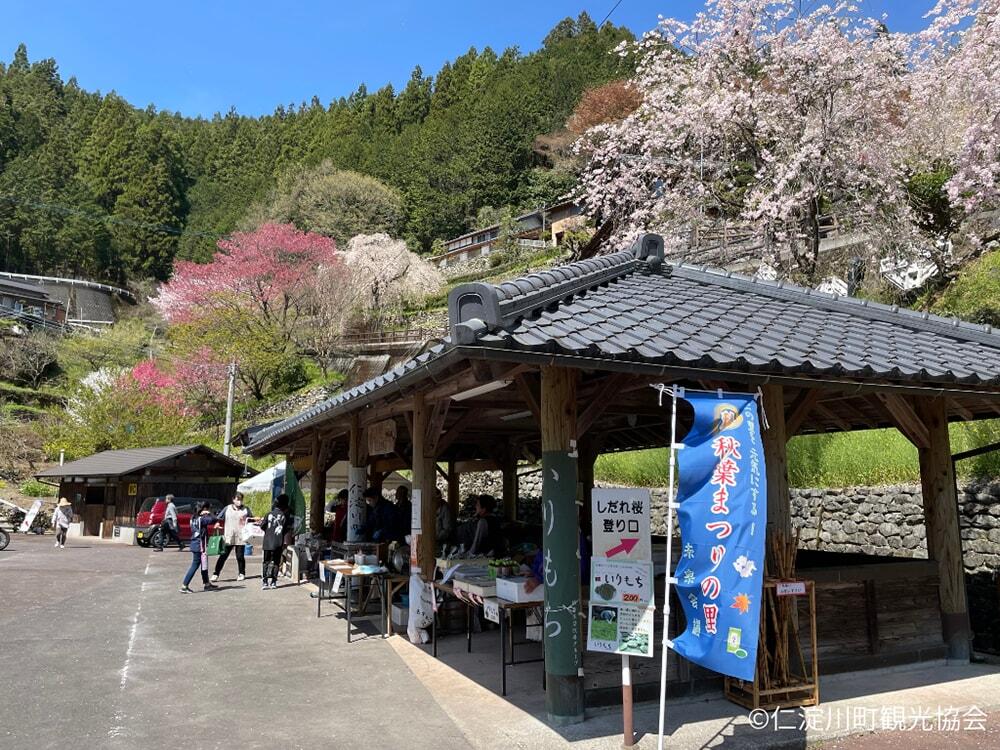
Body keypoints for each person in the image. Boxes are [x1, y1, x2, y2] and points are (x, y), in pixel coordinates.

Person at [212, 492, 252, 582]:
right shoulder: (227, 508)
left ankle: (241, 573)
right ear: (233, 500)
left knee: (240, 556)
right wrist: (217, 523)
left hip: (241, 536)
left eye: (241, 499)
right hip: (229, 536)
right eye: (237, 499)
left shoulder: (246, 509)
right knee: (223, 556)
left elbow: (251, 519)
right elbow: (219, 518)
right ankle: (216, 573)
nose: (239, 501)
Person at [181, 502, 220, 593]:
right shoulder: (201, 519)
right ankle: (184, 585)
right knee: (195, 565)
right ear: (203, 509)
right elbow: (214, 519)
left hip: (196, 543)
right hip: (199, 545)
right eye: (207, 509)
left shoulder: (193, 518)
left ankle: (207, 584)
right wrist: (209, 513)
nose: (208, 510)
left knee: (204, 563)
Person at [260, 495, 291, 590]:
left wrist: (268, 531)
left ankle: (265, 582)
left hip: (267, 542)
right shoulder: (284, 516)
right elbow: (286, 529)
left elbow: (262, 526)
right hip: (278, 542)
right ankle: (273, 582)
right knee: (276, 562)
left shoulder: (268, 514)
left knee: (266, 561)